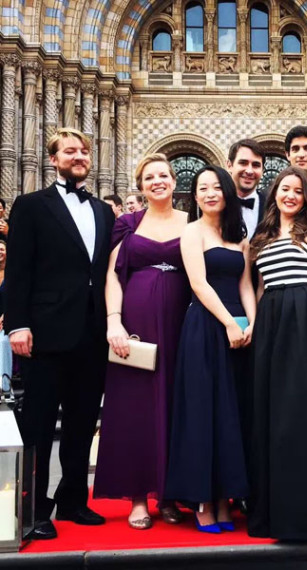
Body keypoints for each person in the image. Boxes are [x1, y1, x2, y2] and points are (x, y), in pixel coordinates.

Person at [4, 128, 115, 540]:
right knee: (37, 421)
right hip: (46, 332)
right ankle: (33, 509)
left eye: (84, 150)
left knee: (83, 421)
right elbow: (18, 270)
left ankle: (73, 500)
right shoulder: (31, 205)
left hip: (92, 332)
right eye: (70, 151)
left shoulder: (104, 211)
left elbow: (102, 273)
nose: (79, 156)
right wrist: (18, 323)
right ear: (53, 159)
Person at [247, 166, 307, 541]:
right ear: (274, 193)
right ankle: (274, 514)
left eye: (298, 190)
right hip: (271, 324)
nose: (290, 195)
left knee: (306, 414)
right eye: (284, 189)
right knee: (273, 417)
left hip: (306, 318)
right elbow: (258, 287)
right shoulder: (262, 235)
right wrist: (255, 327)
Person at [93, 154, 191, 529]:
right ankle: (137, 497)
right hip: (134, 324)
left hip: (181, 323)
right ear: (141, 185)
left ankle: (168, 494)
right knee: (135, 406)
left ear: (173, 180)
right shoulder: (128, 224)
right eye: (149, 177)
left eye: (164, 175)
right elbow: (113, 276)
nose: (158, 181)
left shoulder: (192, 222)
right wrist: (113, 322)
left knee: (174, 403)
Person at [165, 165, 255, 534]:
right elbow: (199, 284)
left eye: (216, 186)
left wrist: (253, 321)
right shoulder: (192, 232)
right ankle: (202, 500)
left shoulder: (240, 236)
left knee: (232, 415)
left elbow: (247, 284)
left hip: (241, 332)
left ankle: (225, 499)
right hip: (206, 327)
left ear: (227, 191)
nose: (209, 193)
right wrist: (229, 322)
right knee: (204, 412)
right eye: (202, 188)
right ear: (194, 195)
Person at [227, 139, 266, 239]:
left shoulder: (273, 206)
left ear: (262, 170)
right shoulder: (215, 203)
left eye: (256, 165)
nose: (249, 171)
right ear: (229, 166)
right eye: (243, 163)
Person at [0, 241, 11, 392]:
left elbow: (16, 298)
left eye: (1, 249)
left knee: (3, 341)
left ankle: (5, 385)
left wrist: (4, 316)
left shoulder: (12, 273)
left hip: (8, 319)